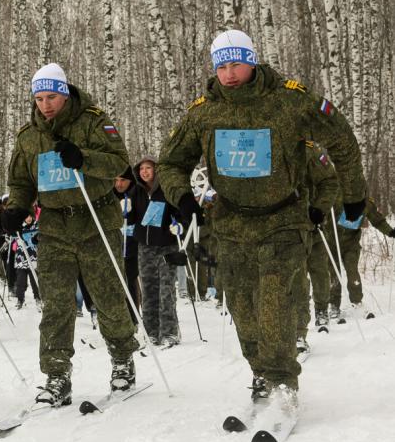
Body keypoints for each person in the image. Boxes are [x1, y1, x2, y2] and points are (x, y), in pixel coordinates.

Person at [157, 30, 366, 420]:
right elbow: (170, 162)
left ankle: (283, 381)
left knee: (274, 302)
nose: (229, 74)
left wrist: (353, 193)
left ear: (252, 61)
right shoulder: (204, 111)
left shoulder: (290, 99)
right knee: (242, 307)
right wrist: (183, 199)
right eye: (221, 66)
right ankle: (261, 374)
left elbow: (342, 140)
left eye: (236, 64)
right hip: (230, 223)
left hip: (283, 219)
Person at [4, 63, 138, 405]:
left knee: (107, 297)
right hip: (54, 226)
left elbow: (119, 163)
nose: (46, 105)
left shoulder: (93, 121)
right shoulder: (28, 137)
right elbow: (20, 181)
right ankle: (56, 374)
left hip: (95, 221)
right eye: (39, 98)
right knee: (57, 305)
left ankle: (122, 358)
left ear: (65, 93)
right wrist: (17, 209)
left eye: (52, 97)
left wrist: (84, 158)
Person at [126, 155, 181, 347]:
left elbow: (179, 213)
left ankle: (170, 332)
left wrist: (178, 225)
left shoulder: (166, 190)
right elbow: (131, 217)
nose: (144, 172)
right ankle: (151, 332)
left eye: (148, 168)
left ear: (156, 170)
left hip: (167, 244)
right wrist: (125, 211)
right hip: (145, 247)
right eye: (141, 169)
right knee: (148, 290)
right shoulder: (136, 191)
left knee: (166, 290)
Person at [293, 141, 340, 352]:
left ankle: (322, 310)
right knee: (298, 280)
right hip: (290, 229)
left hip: (315, 226)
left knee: (320, 273)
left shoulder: (311, 150)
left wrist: (319, 208)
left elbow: (330, 182)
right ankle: (298, 332)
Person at [325, 197, 394, 321]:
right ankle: (334, 305)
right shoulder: (335, 198)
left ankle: (357, 302)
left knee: (352, 272)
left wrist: (390, 232)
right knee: (333, 275)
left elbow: (377, 220)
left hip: (351, 244)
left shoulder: (365, 203)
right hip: (331, 243)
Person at [113, 169, 140, 324]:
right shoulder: (110, 196)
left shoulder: (137, 194)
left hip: (132, 247)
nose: (119, 184)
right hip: (113, 245)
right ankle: (118, 319)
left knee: (130, 281)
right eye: (116, 180)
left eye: (123, 180)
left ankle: (133, 318)